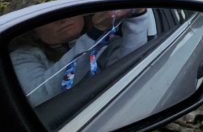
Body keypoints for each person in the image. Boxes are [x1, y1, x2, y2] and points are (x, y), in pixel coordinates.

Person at [10, 9, 154, 107]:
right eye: (49, 16)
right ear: (32, 28)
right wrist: (94, 35)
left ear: (82, 14)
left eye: (69, 10)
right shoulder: (22, 56)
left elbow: (130, 69)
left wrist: (137, 18)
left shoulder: (107, 42)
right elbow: (40, 97)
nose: (63, 19)